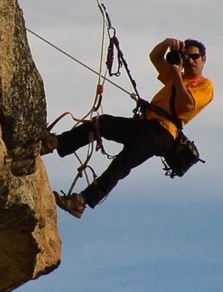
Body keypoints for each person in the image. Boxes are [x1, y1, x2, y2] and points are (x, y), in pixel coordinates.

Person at [41, 38, 214, 219]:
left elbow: (187, 105)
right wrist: (167, 43)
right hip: (145, 124)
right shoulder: (177, 77)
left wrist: (177, 72)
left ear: (203, 59)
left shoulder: (205, 85)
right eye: (186, 57)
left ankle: (81, 201)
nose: (190, 61)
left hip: (163, 133)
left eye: (195, 57)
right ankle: (56, 143)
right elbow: (155, 57)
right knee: (103, 123)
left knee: (123, 163)